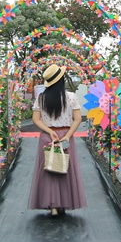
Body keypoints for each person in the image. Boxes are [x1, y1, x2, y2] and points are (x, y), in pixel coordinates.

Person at [28, 64, 87, 216]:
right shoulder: (72, 97)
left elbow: (36, 119)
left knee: (49, 169)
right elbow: (78, 119)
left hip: (48, 137)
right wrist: (67, 136)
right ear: (61, 80)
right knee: (64, 169)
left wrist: (48, 130)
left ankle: (52, 206)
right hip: (65, 136)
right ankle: (63, 203)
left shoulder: (41, 98)